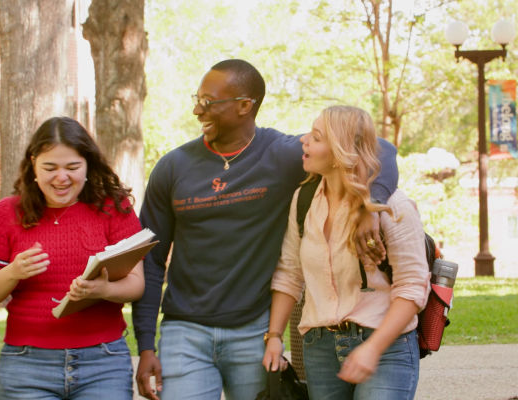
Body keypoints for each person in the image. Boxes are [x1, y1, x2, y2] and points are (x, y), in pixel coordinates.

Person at [133, 59, 399, 400]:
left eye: (209, 102)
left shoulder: (283, 155)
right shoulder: (173, 167)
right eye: (197, 99)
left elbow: (381, 150)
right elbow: (151, 260)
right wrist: (144, 346)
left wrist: (370, 206)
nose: (198, 110)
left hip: (254, 331)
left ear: (246, 106)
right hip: (184, 332)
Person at [263, 105, 430, 399]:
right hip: (319, 348)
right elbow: (289, 272)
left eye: (316, 137)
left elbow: (413, 287)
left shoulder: (393, 207)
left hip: (385, 346)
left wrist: (373, 348)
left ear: (340, 151)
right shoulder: (303, 202)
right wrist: (274, 336)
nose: (304, 140)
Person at [0, 116, 144, 400]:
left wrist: (105, 290)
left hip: (103, 362)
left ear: (88, 164)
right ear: (33, 166)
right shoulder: (6, 213)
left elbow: (137, 285)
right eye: (49, 167)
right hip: (26, 365)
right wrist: (12, 272)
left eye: (72, 167)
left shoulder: (114, 207)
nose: (61, 178)